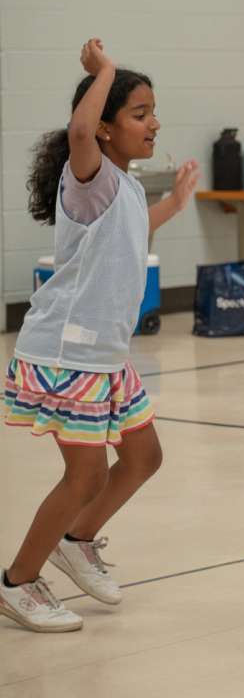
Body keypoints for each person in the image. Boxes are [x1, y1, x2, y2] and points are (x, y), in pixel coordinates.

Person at [1, 39, 198, 633]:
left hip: (107, 357)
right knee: (84, 474)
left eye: (153, 110)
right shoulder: (87, 175)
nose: (154, 122)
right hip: (67, 352)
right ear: (106, 128)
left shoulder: (128, 189)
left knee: (144, 457)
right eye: (139, 113)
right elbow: (78, 132)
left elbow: (131, 233)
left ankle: (76, 539)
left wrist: (174, 202)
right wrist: (104, 72)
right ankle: (17, 582)